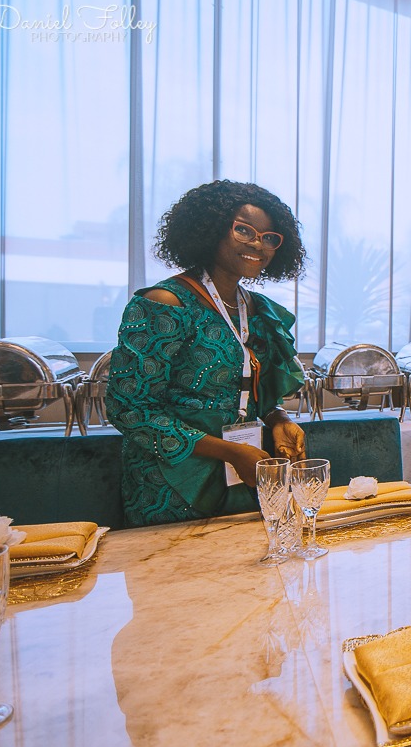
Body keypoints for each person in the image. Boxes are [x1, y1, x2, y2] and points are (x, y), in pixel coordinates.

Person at [106, 181, 308, 526]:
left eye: (269, 237)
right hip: (172, 482)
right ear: (209, 230)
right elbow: (129, 409)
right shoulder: (166, 303)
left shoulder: (257, 309)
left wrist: (278, 420)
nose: (257, 244)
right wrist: (230, 451)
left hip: (243, 471)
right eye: (243, 231)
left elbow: (249, 392)